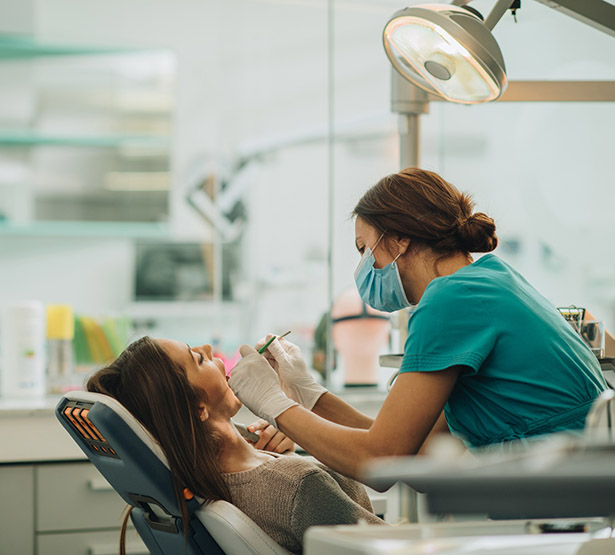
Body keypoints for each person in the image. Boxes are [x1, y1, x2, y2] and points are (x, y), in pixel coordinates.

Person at [229, 167, 609, 483]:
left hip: (568, 498)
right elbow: (415, 449)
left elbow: (381, 459)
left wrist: (274, 404)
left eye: (364, 249)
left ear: (399, 239)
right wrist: (310, 395)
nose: (362, 267)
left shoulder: (451, 299)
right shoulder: (490, 280)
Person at [86, 336, 384, 554]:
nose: (207, 349)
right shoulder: (296, 484)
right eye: (198, 359)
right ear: (198, 408)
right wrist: (291, 466)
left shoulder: (208, 481)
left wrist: (288, 451)